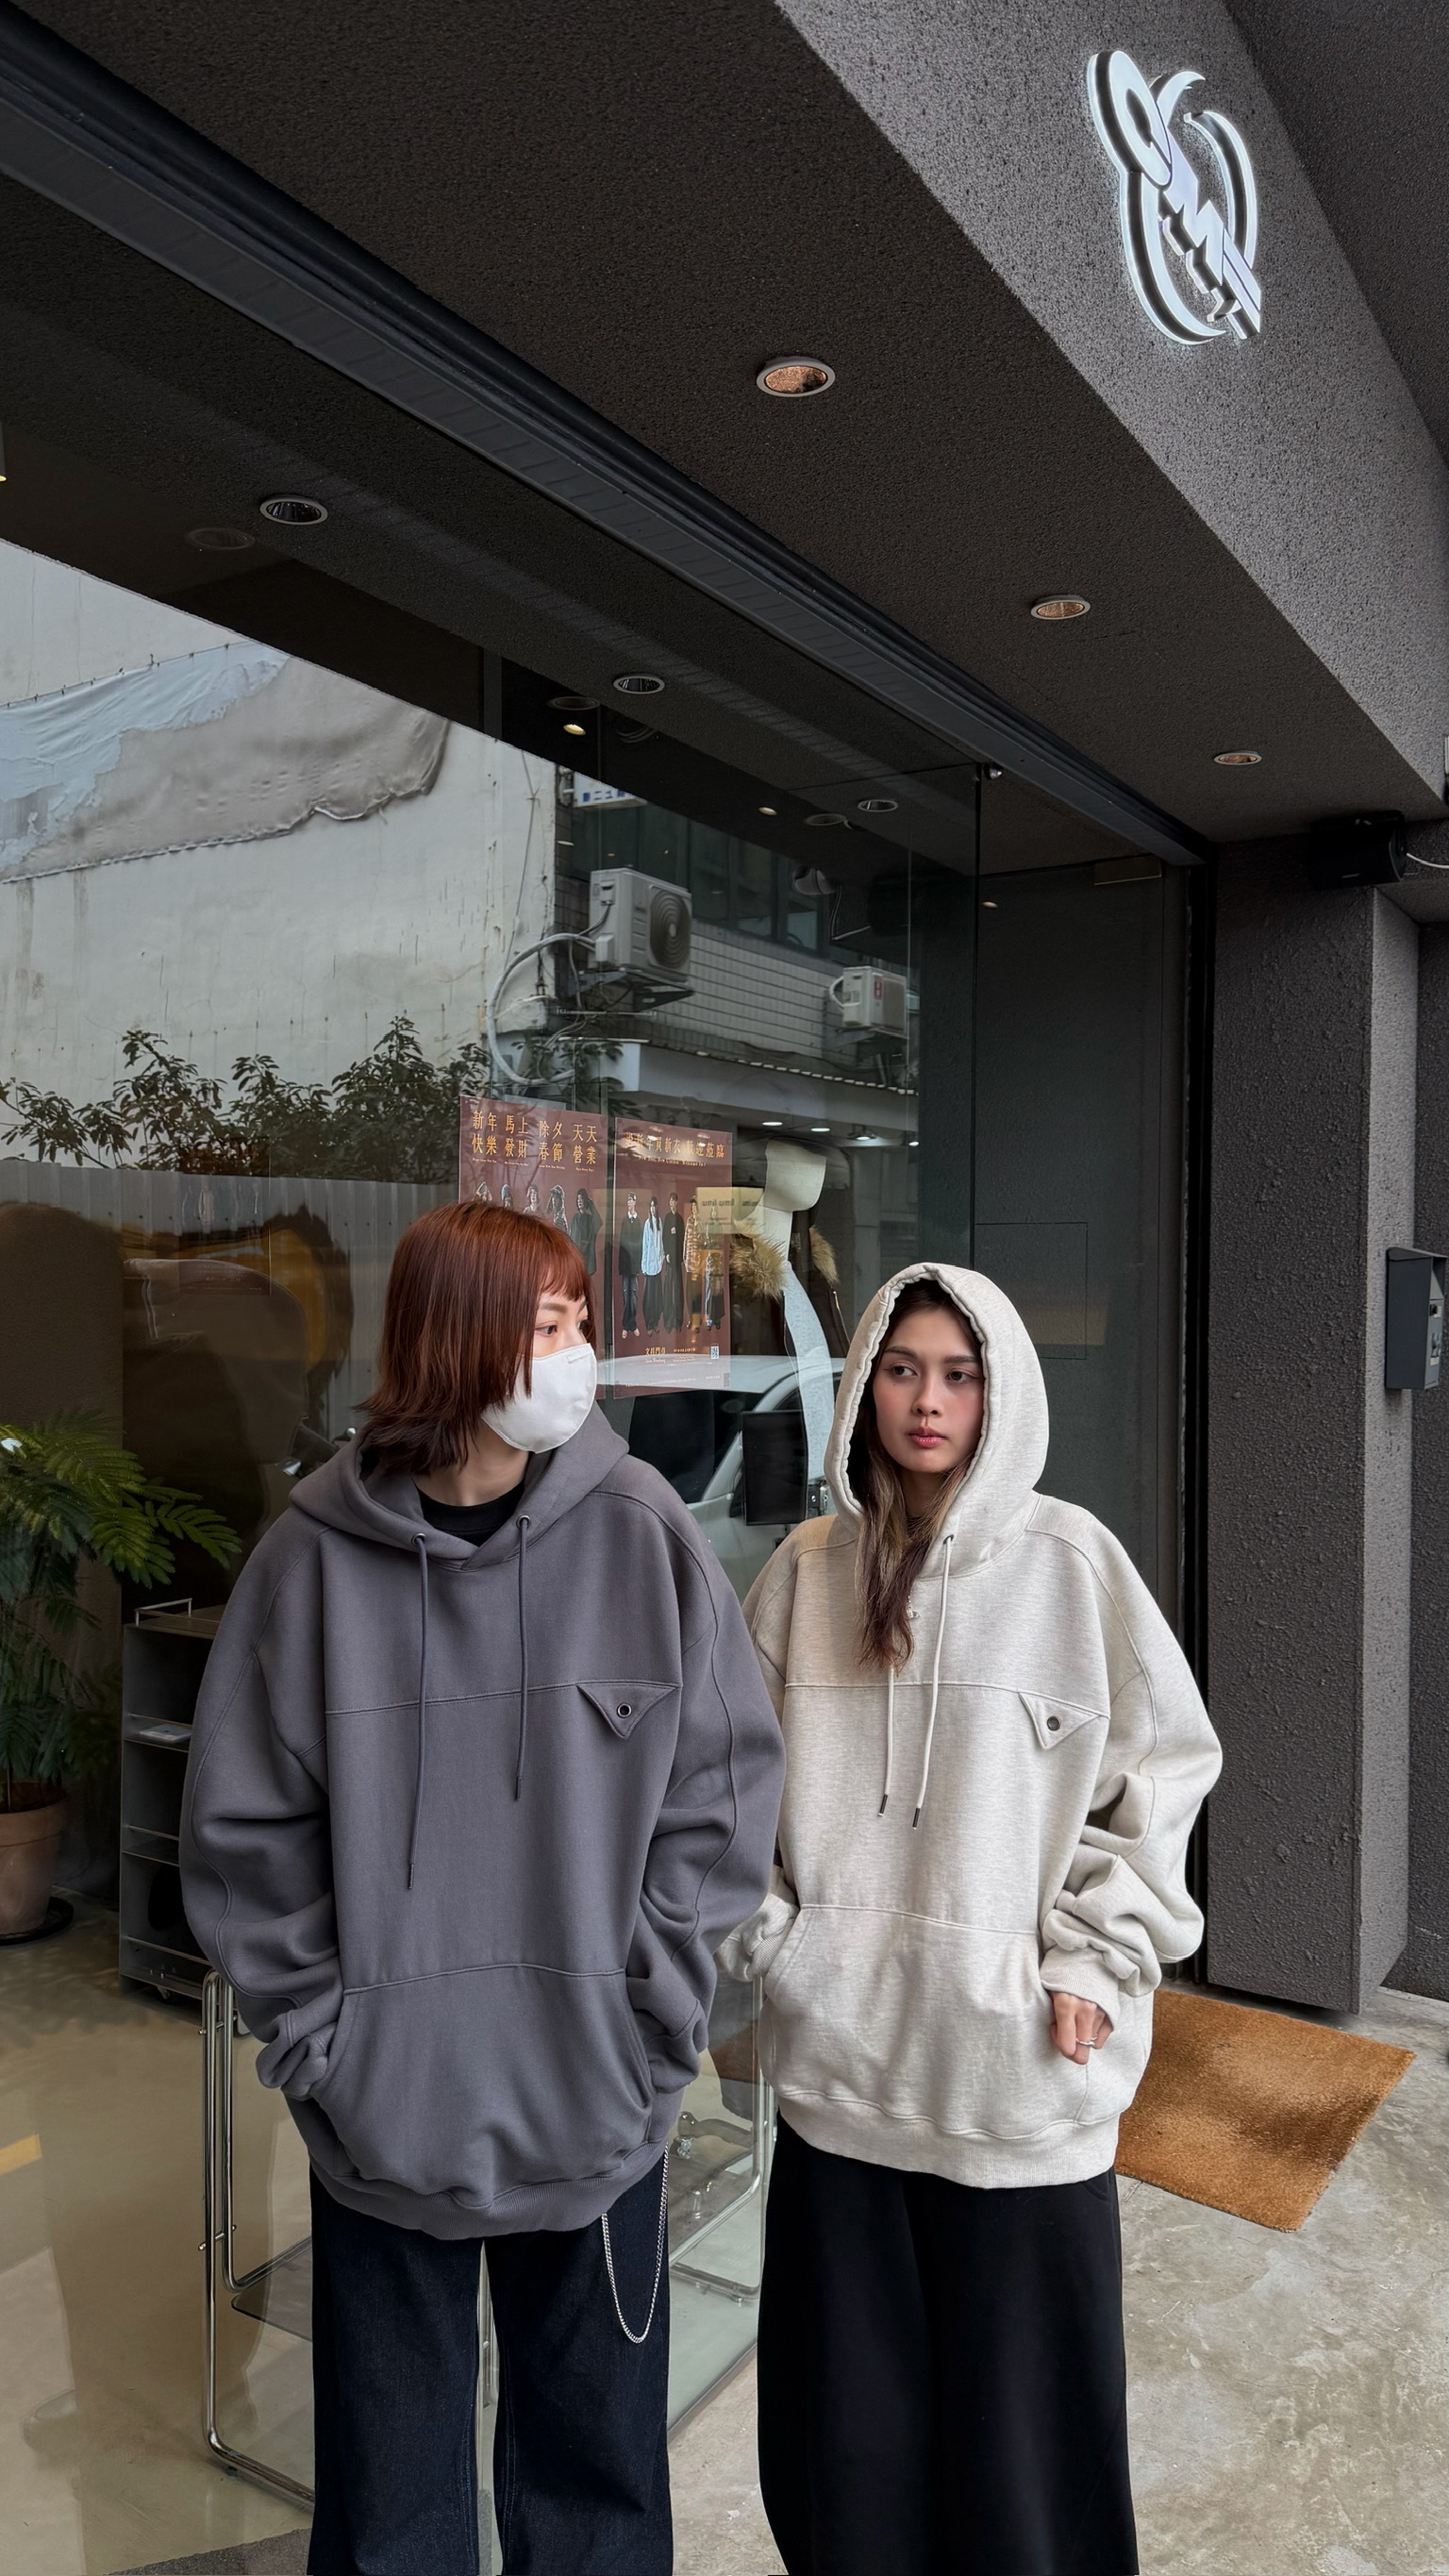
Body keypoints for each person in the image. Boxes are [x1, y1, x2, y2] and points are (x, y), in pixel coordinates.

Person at [181, 1202, 784, 2576]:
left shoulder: (639, 1532)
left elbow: (722, 1792)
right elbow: (243, 1833)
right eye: (548, 1324)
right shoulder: (309, 1562)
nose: (578, 1355)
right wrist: (329, 2044)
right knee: (392, 2518)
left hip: (600, 2114)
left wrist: (651, 2021)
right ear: (456, 1338)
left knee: (598, 2502)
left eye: (579, 1322)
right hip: (382, 2129)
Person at [720, 1263, 1221, 2576]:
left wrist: (1096, 1959)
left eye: (958, 1373)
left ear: (1002, 1391)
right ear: (863, 1387)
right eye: (901, 1370)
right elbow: (721, 1787)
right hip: (844, 2090)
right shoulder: (806, 1572)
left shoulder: (1072, 1565)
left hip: (1020, 2095)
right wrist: (780, 1942)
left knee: (1027, 2485)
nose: (927, 1401)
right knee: (848, 2466)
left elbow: (1163, 1775)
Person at [617, 1188, 642, 1335]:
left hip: (635, 1266)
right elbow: (622, 1245)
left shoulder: (638, 1221)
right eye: (627, 1200)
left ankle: (633, 1325)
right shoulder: (624, 1221)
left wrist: (638, 1266)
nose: (629, 1203)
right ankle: (626, 1326)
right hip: (626, 1266)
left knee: (634, 1296)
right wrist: (622, 1267)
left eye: (631, 1200)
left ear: (635, 1202)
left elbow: (640, 1245)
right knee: (626, 1295)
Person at [641, 1194, 665, 1331]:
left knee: (656, 1297)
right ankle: (649, 1323)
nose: (652, 1209)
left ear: (657, 1207)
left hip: (657, 1266)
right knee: (649, 1297)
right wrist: (644, 1265)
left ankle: (655, 1322)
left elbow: (661, 1244)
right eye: (650, 1206)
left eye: (654, 1206)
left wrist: (661, 1259)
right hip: (649, 1266)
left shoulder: (660, 1222)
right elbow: (645, 1245)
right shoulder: (647, 1224)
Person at [570, 1184, 602, 1278]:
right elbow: (571, 1236)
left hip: (587, 1256)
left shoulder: (590, 1219)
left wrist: (591, 1205)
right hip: (576, 1256)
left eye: (582, 1199)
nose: (579, 1201)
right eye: (578, 1199)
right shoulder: (575, 1218)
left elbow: (599, 1222)